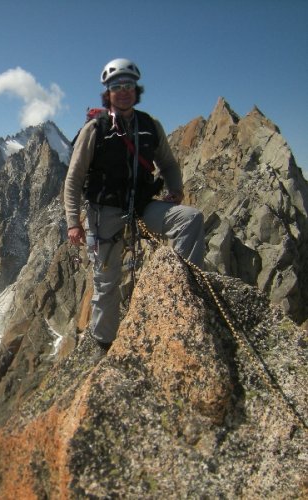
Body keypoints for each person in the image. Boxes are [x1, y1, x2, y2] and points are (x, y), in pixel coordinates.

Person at [64, 58, 205, 351]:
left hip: (142, 207)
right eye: (117, 86)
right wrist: (73, 223)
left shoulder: (150, 126)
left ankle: (182, 296)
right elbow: (74, 179)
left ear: (136, 89)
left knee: (189, 219)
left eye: (128, 85)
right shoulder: (95, 129)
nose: (124, 90)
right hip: (105, 214)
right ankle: (104, 345)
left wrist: (176, 189)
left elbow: (167, 162)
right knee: (106, 283)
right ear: (108, 92)